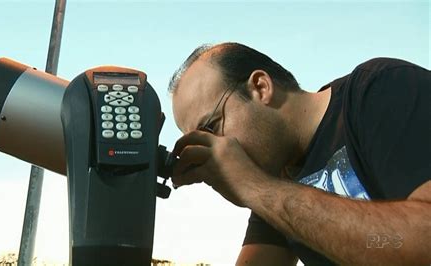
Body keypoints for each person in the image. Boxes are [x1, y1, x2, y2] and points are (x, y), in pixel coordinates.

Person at [168, 42, 431, 265]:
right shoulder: (274, 179)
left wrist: (255, 188)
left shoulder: (380, 89)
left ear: (260, 87)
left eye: (211, 128)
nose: (215, 149)